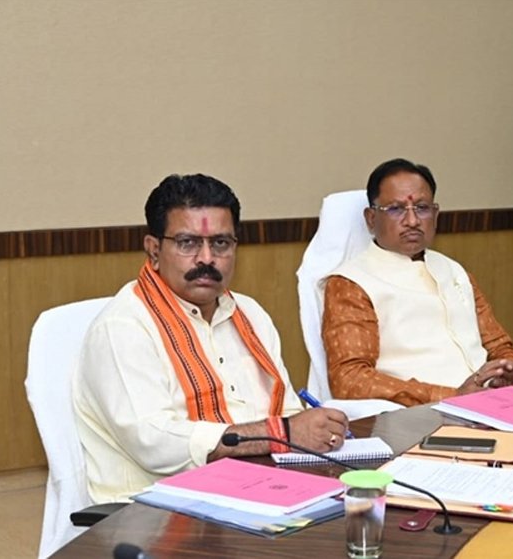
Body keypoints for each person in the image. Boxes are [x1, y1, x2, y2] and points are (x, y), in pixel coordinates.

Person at [73, 174, 348, 503]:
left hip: (257, 489)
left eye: (220, 243)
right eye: (188, 243)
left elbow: (287, 411)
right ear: (154, 250)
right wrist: (279, 434)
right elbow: (153, 443)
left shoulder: (250, 314)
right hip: (153, 507)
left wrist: (312, 429)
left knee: (365, 508)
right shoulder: (123, 326)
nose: (206, 258)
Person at [321, 158, 513, 406]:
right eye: (396, 209)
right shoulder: (352, 282)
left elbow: (498, 345)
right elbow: (350, 380)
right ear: (371, 218)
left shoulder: (453, 269)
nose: (412, 221)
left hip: (489, 404)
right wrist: (452, 396)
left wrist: (506, 371)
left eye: (422, 208)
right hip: (416, 416)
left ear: (435, 214)